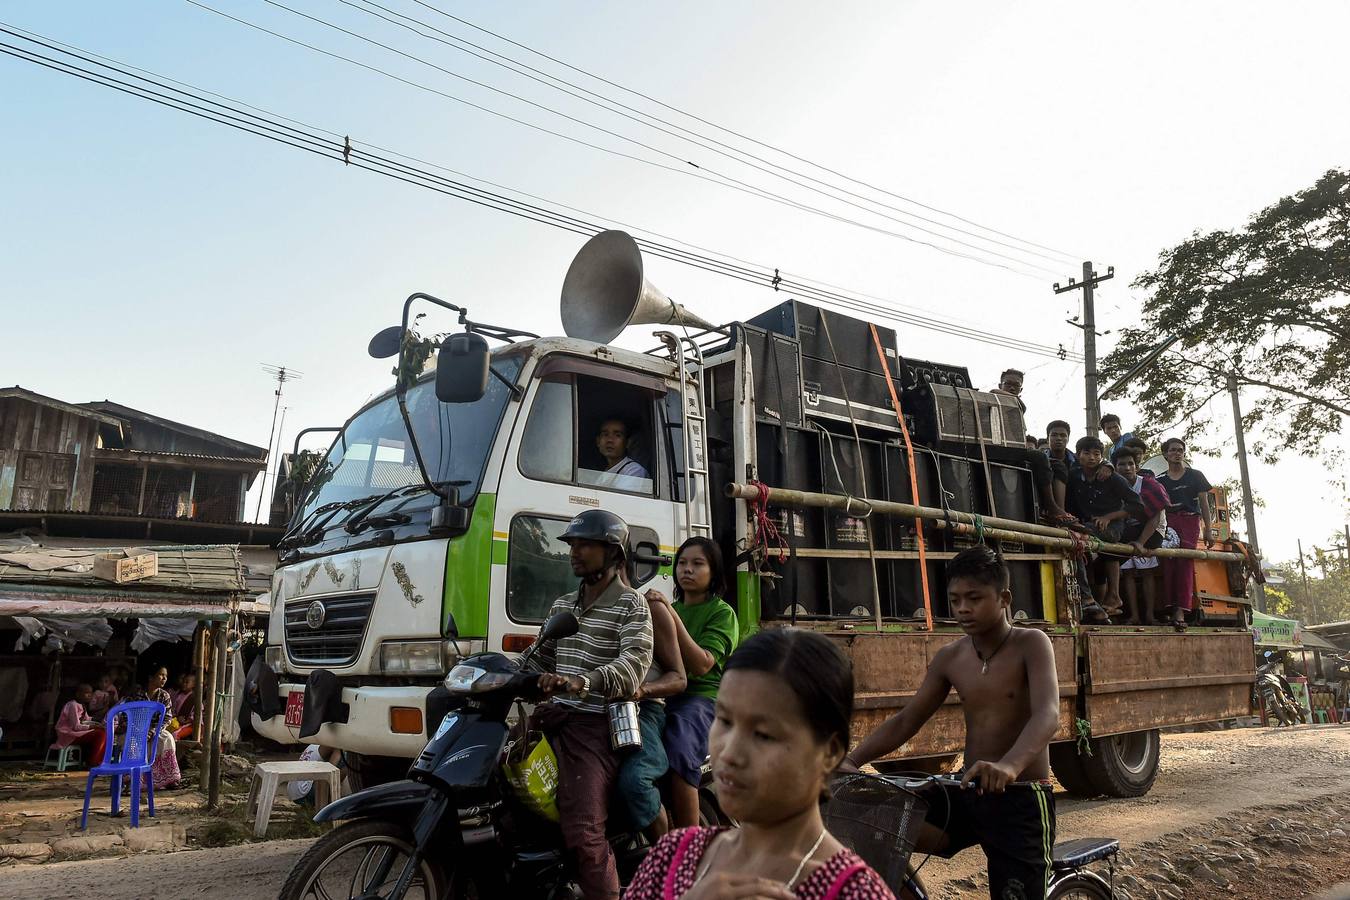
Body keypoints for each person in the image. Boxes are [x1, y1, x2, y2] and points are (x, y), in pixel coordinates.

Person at [844, 546, 1059, 900]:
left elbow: (1047, 715)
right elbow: (907, 720)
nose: (963, 608)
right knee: (876, 823)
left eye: (974, 598)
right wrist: (853, 760)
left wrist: (1009, 765)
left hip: (1020, 797)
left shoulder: (1031, 644)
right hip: (967, 790)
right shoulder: (951, 657)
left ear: (1004, 598)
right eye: (955, 599)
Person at [626, 629, 893, 900]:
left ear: (830, 753)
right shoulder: (674, 855)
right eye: (725, 721)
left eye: (763, 735)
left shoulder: (856, 892)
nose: (730, 753)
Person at [525, 509, 654, 900]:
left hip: (596, 724)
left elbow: (634, 665)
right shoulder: (563, 605)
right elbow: (538, 657)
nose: (574, 552)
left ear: (613, 551)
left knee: (583, 831)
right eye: (572, 544)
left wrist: (584, 681)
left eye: (585, 544)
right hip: (553, 718)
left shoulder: (632, 605)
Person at [645, 537, 739, 829]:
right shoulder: (666, 608)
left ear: (714, 572)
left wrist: (671, 617)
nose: (687, 569)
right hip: (664, 694)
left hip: (702, 700)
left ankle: (689, 844)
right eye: (682, 563)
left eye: (698, 564)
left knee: (678, 752)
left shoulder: (722, 613)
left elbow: (701, 664)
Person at [615, 583, 687, 841]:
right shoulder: (577, 605)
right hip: (593, 710)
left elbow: (679, 678)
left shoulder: (651, 607)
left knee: (635, 781)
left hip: (643, 710)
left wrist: (642, 691)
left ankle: (663, 857)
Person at [1065, 436, 1145, 620]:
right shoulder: (1075, 475)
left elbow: (1137, 505)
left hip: (1111, 528)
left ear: (1102, 457)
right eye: (1087, 453)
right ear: (1078, 456)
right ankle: (1088, 601)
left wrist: (1109, 517)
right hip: (1086, 526)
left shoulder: (1113, 478)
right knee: (1074, 545)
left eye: (1097, 454)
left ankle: (1087, 598)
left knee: (1074, 538)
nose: (1092, 458)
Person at [1156, 438, 1214, 630]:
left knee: (1185, 562)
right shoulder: (1160, 480)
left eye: (1180, 450)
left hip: (1190, 521)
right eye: (1172, 450)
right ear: (1165, 454)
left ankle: (1181, 609)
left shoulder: (1195, 476)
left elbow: (1204, 504)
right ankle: (1169, 607)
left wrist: (1208, 530)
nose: (1177, 453)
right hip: (1168, 522)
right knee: (1168, 561)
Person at [1113, 447, 1169, 625]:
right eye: (1122, 464)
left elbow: (1155, 519)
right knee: (1127, 572)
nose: (1127, 468)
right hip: (1128, 529)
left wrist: (1140, 543)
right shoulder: (1114, 486)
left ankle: (1150, 616)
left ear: (1137, 466)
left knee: (1147, 571)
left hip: (1152, 531)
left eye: (1131, 464)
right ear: (1115, 467)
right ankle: (1134, 615)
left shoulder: (1150, 485)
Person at [55, 683, 106, 765]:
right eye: (87, 693)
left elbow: (87, 719)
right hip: (68, 735)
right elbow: (76, 726)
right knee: (100, 734)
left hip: (76, 734)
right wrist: (91, 726)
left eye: (91, 693)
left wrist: (99, 721)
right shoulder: (72, 705)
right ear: (78, 694)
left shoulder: (82, 705)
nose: (90, 695)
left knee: (102, 730)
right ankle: (94, 762)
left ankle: (96, 760)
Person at [169, 671, 197, 740]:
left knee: (175, 734)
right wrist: (176, 717)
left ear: (193, 684)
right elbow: (174, 709)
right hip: (178, 721)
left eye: (187, 682)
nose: (184, 684)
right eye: (183, 682)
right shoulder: (179, 696)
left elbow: (196, 716)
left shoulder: (194, 698)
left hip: (190, 725)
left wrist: (186, 721)